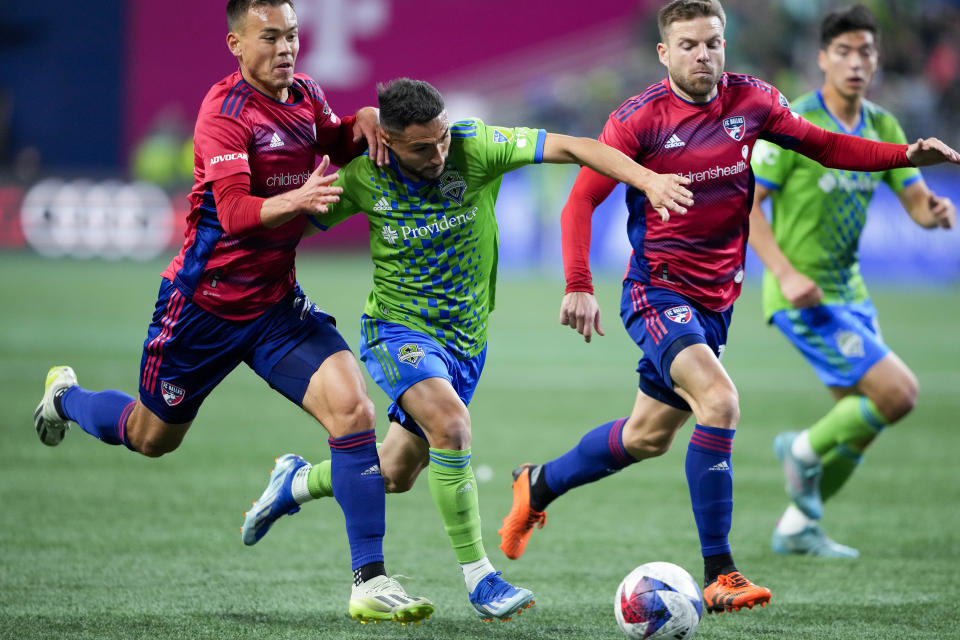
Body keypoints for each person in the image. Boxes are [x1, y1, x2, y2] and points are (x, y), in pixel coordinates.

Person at [496, 0, 960, 615]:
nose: (703, 55)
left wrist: (906, 157)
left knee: (646, 436)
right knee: (720, 402)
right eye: (688, 45)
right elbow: (579, 202)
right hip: (657, 290)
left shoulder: (753, 101)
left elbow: (825, 146)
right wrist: (577, 282)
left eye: (713, 42)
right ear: (665, 53)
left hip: (718, 300)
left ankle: (539, 484)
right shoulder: (638, 121)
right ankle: (721, 573)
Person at [32, 0, 434, 625]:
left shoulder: (305, 95)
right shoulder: (223, 115)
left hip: (275, 306)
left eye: (293, 36)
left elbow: (336, 134)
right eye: (270, 37)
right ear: (235, 45)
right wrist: (299, 198)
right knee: (149, 436)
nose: (286, 48)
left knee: (352, 406)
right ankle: (67, 398)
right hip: (202, 309)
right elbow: (240, 213)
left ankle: (370, 579)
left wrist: (367, 119)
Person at [239, 77, 693, 622]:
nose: (437, 153)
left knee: (392, 471)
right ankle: (481, 579)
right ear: (387, 139)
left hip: (465, 342)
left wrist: (648, 180)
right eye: (420, 146)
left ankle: (295, 481)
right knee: (451, 426)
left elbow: (575, 147)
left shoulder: (474, 148)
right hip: (397, 331)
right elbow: (282, 233)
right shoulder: (363, 178)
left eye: (442, 139)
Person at [748, 4, 955, 559]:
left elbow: (913, 201)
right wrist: (786, 275)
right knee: (899, 393)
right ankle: (799, 450)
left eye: (866, 51)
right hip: (802, 295)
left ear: (878, 60)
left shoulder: (884, 127)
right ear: (822, 58)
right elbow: (749, 206)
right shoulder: (794, 123)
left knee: (860, 424)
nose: (856, 62)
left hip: (852, 294)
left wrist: (932, 212)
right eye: (844, 51)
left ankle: (796, 527)